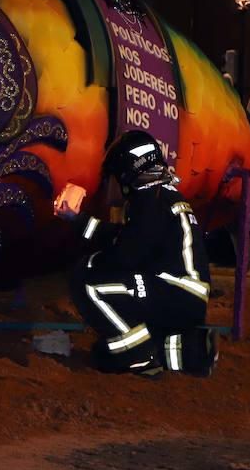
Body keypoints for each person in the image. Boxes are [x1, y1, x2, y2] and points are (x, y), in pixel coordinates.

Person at [53, 130, 219, 377]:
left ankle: (135, 356)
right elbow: (127, 238)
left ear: (127, 171)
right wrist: (78, 221)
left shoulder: (150, 200)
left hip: (173, 292)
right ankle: (191, 349)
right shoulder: (164, 195)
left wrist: (93, 262)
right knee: (111, 342)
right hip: (182, 296)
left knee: (87, 277)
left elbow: (126, 255)